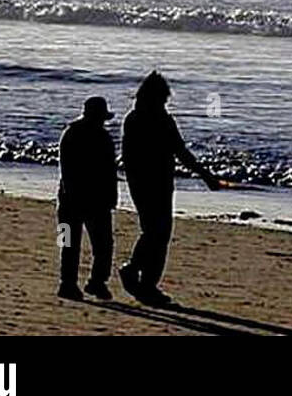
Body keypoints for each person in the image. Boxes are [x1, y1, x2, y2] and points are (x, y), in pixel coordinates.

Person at [118, 71, 220, 306]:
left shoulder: (132, 119)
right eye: (163, 99)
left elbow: (127, 155)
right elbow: (181, 152)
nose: (165, 103)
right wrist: (206, 175)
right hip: (159, 182)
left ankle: (137, 273)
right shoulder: (162, 120)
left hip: (140, 181)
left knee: (151, 230)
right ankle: (143, 279)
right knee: (159, 233)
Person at [57, 96, 118, 301]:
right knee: (101, 244)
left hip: (71, 200)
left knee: (72, 244)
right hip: (88, 200)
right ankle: (92, 282)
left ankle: (75, 283)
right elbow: (109, 172)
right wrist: (111, 197)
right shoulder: (101, 137)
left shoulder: (71, 133)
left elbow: (66, 171)